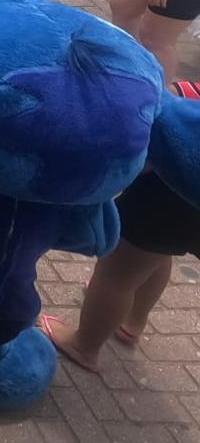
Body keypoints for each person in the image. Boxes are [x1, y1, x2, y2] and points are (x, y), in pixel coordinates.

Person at [41, 80, 200, 372]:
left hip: (168, 195)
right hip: (189, 208)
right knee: (156, 255)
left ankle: (85, 345)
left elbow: (174, 113)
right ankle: (133, 322)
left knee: (116, 275)